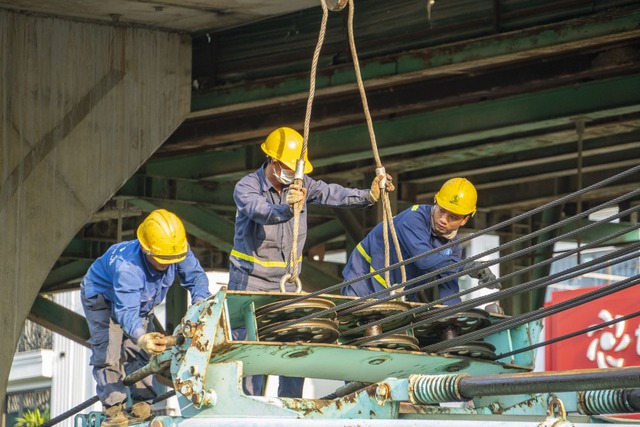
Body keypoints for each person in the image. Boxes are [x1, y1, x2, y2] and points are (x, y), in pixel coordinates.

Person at [228, 126, 393, 398]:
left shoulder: (301, 184)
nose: (296, 175)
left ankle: (291, 408)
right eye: (290, 168)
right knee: (251, 353)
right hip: (250, 284)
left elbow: (333, 194)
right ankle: (249, 409)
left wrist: (369, 196)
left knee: (296, 350)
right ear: (274, 162)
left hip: (287, 286)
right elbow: (261, 212)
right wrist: (286, 208)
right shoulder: (246, 187)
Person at [80, 209, 212, 427]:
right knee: (108, 350)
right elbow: (126, 312)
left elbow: (196, 278)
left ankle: (143, 405)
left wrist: (200, 305)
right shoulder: (128, 269)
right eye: (163, 260)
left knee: (141, 354)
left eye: (173, 259)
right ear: (146, 249)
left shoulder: (176, 248)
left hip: (141, 301)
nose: (168, 264)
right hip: (102, 297)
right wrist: (141, 336)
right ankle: (114, 409)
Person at [341, 177, 496, 304]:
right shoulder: (413, 219)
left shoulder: (454, 247)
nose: (443, 219)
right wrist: (468, 266)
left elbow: (448, 290)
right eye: (442, 210)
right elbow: (425, 260)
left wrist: (456, 318)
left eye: (453, 217)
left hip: (397, 295)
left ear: (465, 220)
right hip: (363, 284)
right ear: (436, 201)